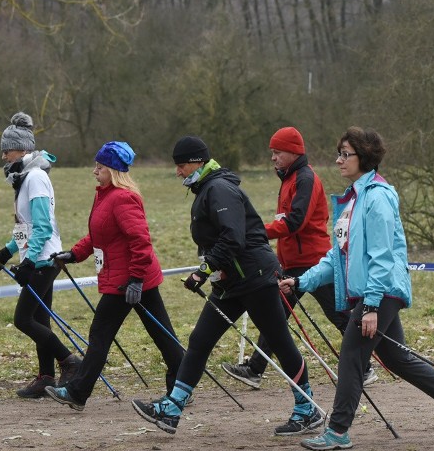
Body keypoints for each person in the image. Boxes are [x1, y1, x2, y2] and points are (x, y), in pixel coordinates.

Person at [281, 126, 434, 451]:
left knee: (352, 356)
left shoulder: (378, 197)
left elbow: (383, 258)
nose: (339, 160)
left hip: (381, 291)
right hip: (375, 293)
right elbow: (337, 257)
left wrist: (370, 306)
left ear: (364, 157)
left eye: (346, 154)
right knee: (396, 358)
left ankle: (338, 431)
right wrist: (302, 282)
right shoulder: (355, 198)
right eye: (339, 153)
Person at [132, 136, 318, 435]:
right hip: (231, 281)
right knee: (200, 339)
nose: (178, 172)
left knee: (280, 341)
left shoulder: (219, 189)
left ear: (198, 162)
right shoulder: (206, 188)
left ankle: (306, 408)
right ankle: (173, 408)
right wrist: (211, 269)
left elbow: (233, 237)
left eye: (181, 165)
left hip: (255, 277)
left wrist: (203, 271)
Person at [221, 127, 377, 403]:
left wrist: (256, 231)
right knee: (276, 315)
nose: (273, 157)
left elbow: (295, 221)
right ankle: (256, 369)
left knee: (339, 314)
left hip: (313, 261)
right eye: (272, 152)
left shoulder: (305, 178)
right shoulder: (289, 178)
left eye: (277, 152)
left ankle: (365, 367)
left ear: (294, 152)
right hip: (292, 261)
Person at [44, 141, 185, 411]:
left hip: (130, 280)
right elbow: (99, 236)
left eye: (99, 167)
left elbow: (141, 241)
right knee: (161, 335)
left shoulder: (123, 198)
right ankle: (182, 386)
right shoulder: (105, 195)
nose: (94, 171)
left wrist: (135, 279)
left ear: (113, 169)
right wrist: (73, 254)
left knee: (102, 335)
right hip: (124, 278)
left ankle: (77, 392)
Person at [0, 111, 81, 398]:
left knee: (24, 319)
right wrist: (7, 251)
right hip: (39, 258)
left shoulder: (35, 177)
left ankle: (70, 362)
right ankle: (46, 376)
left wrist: (27, 261)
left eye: (7, 150)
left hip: (43, 260)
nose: (3, 156)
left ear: (24, 149)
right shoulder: (25, 177)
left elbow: (42, 226)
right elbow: (26, 229)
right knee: (40, 321)